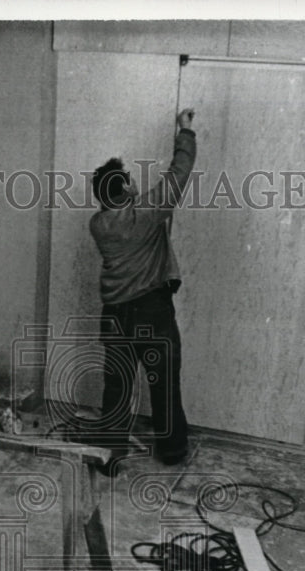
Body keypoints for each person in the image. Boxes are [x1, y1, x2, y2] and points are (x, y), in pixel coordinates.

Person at [89, 107, 197, 468]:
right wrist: (186, 131)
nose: (136, 182)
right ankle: (173, 451)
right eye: (130, 179)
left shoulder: (99, 223)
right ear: (125, 190)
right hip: (152, 312)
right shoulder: (143, 215)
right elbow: (177, 176)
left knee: (116, 389)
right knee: (164, 383)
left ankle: (110, 454)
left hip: (115, 317)